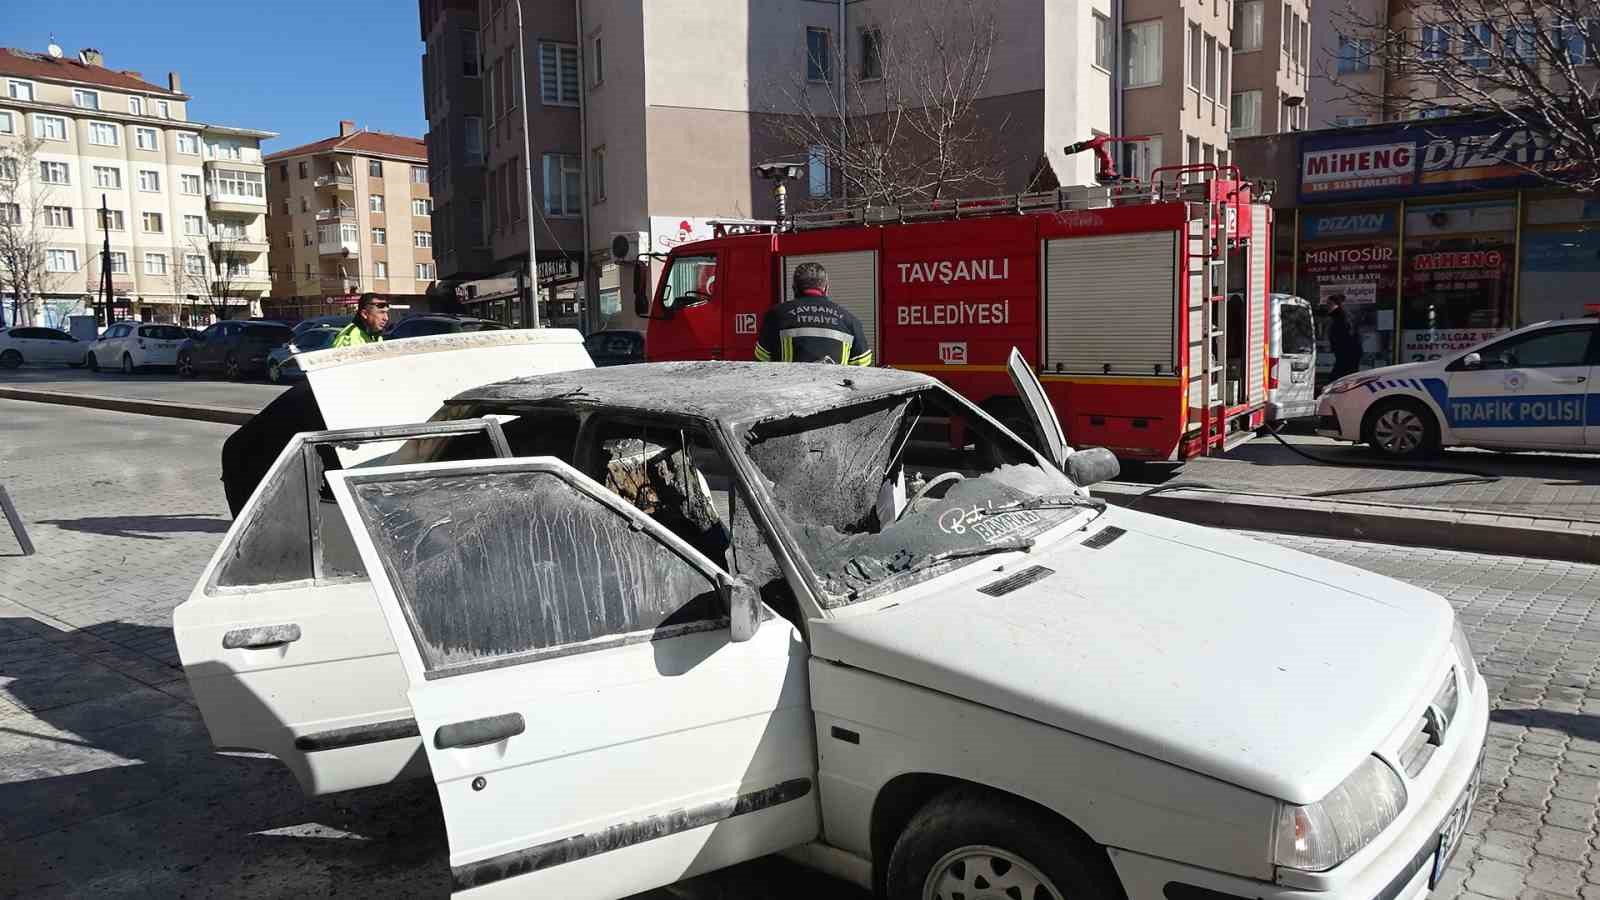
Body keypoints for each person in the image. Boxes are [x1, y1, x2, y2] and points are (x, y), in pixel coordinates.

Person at [754, 262, 872, 365]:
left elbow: (762, 357)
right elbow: (862, 361)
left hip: (791, 389)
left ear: (794, 288)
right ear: (826, 288)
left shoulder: (776, 315)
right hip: (835, 389)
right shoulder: (849, 319)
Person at [1324, 294, 1362, 381]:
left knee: (1340, 376)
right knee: (1347, 375)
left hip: (1347, 352)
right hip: (1349, 351)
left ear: (1336, 304)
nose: (1327, 306)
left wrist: (1336, 345)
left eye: (1329, 304)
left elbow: (1344, 334)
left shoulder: (1340, 316)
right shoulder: (1341, 315)